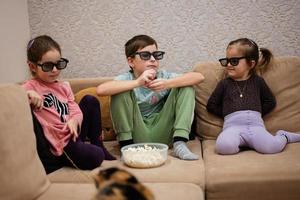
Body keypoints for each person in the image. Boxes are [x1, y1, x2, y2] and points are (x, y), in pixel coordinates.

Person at [97, 35, 204, 160]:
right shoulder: (127, 78)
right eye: (146, 55)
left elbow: (199, 77)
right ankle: (127, 147)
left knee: (186, 86)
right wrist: (137, 83)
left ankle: (179, 143)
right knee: (120, 90)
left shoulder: (163, 76)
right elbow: (101, 90)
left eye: (156, 55)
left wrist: (167, 83)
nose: (153, 59)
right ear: (131, 61)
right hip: (136, 135)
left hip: (164, 132)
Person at [22, 35, 115, 174]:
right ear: (32, 66)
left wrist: (74, 120)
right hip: (60, 142)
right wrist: (27, 95)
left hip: (73, 131)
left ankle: (98, 143)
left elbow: (75, 110)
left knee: (90, 100)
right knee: (96, 156)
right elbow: (12, 98)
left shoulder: (64, 86)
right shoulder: (30, 87)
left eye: (58, 64)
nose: (55, 70)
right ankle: (68, 156)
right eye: (48, 66)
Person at [206, 38, 300, 155]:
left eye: (234, 61)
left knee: (272, 147)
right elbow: (211, 105)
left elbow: (270, 101)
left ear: (251, 63)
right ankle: (240, 143)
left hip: (256, 126)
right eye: (226, 61)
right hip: (232, 126)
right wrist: (228, 114)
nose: (229, 64)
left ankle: (284, 136)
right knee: (223, 147)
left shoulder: (258, 81)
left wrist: (256, 113)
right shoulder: (224, 84)